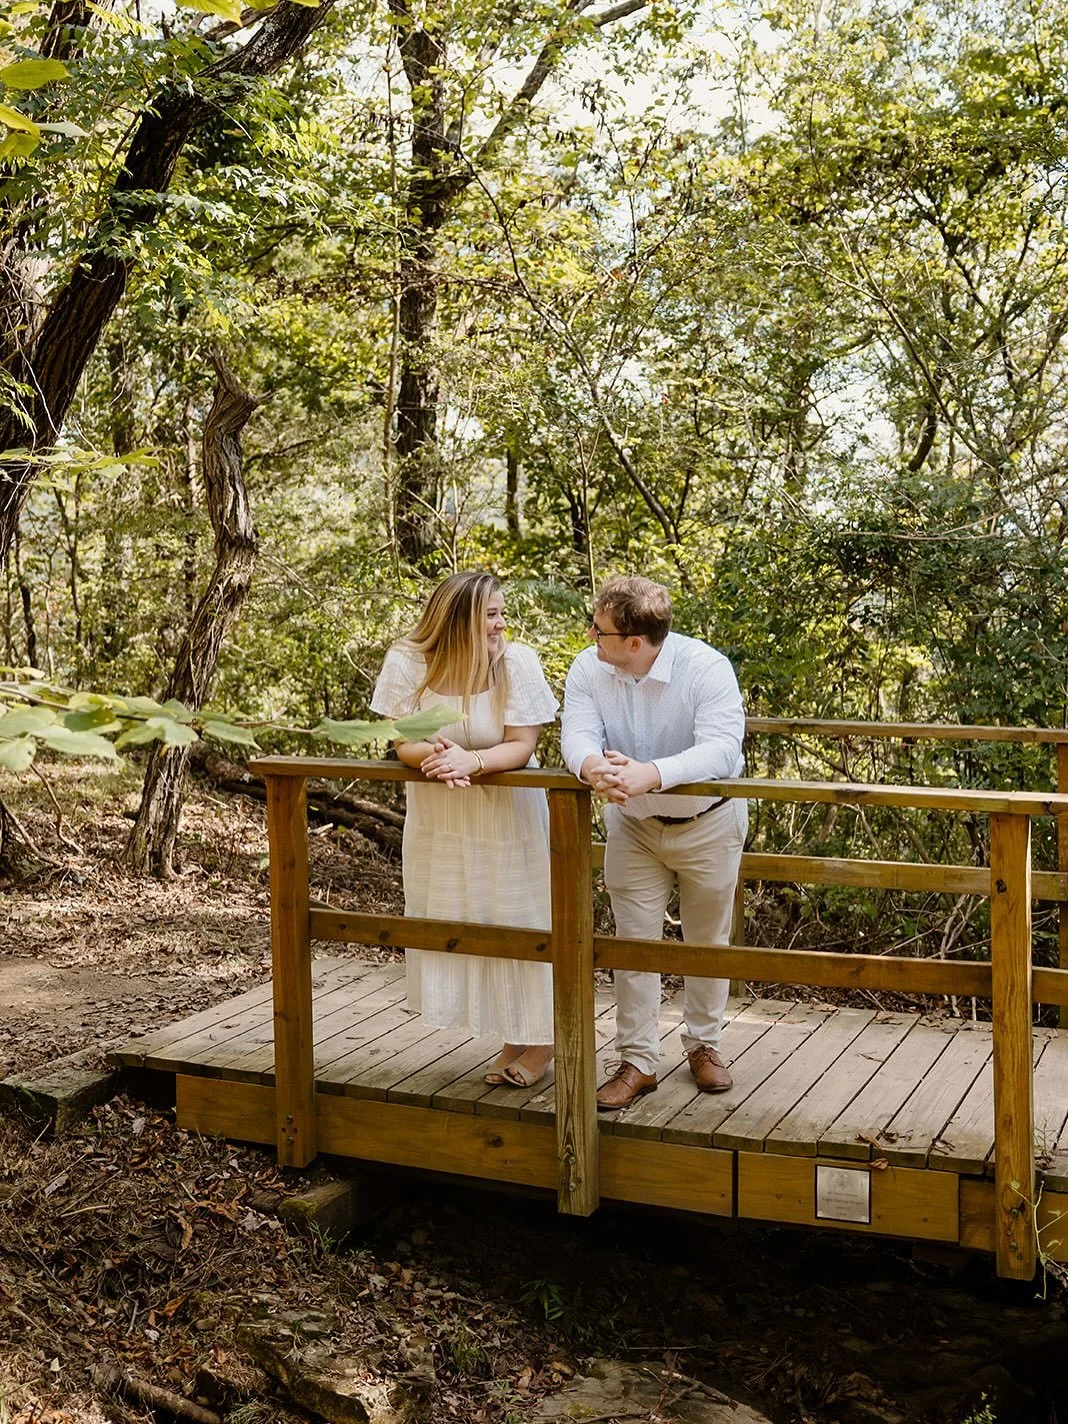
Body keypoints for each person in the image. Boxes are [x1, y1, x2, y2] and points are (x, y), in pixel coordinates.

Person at [560, 575, 746, 1111]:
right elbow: (577, 732)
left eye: (599, 630)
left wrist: (653, 773)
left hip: (708, 823)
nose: (591, 637)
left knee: (706, 940)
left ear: (635, 642)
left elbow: (722, 749)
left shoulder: (706, 668)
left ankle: (704, 1044)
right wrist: (591, 766)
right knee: (632, 942)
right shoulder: (588, 668)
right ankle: (638, 1060)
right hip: (633, 826)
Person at [370, 571, 559, 1088]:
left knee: (518, 918)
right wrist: (436, 757)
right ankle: (512, 1035)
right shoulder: (408, 662)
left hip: (508, 815)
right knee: (466, 918)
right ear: (458, 619)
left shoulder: (516, 662)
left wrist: (471, 761)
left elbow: (522, 745)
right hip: (442, 817)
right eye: (490, 615)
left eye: (502, 613)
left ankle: (540, 1040)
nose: (501, 624)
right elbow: (402, 742)